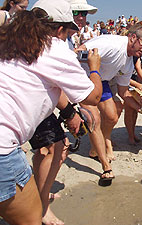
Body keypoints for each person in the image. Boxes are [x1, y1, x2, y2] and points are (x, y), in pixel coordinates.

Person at [0, 0, 103, 224]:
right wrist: (95, 68)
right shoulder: (54, 47)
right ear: (59, 30)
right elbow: (93, 97)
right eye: (67, 32)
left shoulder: (10, 41)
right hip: (2, 148)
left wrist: (69, 113)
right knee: (31, 219)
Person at [79, 25, 142, 163]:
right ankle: (100, 153)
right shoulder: (112, 44)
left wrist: (141, 109)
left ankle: (101, 142)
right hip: (82, 78)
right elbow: (80, 49)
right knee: (94, 118)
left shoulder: (129, 63)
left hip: (101, 81)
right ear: (133, 38)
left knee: (112, 117)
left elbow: (123, 92)